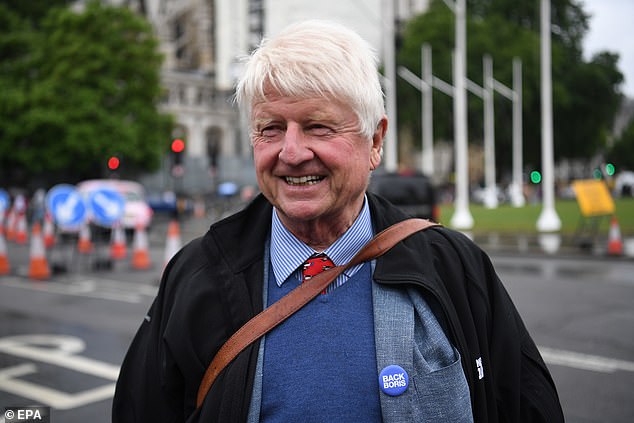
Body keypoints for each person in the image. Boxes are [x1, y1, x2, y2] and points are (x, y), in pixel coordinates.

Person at [112, 20, 564, 422]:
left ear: (375, 140)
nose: (291, 153)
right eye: (270, 128)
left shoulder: (453, 265)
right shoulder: (197, 275)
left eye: (318, 127)